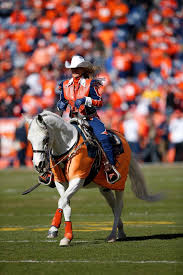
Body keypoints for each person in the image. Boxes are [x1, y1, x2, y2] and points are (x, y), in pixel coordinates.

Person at [57, 55, 120, 184]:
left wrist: (86, 100)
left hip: (90, 118)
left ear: (83, 69)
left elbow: (99, 102)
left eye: (78, 68)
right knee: (53, 137)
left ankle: (110, 167)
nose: (75, 70)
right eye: (73, 68)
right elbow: (62, 101)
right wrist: (60, 105)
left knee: (103, 138)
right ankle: (50, 171)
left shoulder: (91, 83)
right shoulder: (64, 85)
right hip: (72, 119)